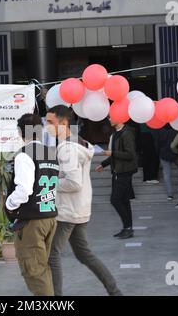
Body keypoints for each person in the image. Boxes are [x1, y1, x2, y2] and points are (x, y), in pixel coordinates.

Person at [46, 106, 122, 296]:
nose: (46, 126)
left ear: (63, 123)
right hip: (79, 208)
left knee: (52, 254)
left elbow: (73, 183)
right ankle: (114, 291)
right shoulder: (80, 143)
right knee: (84, 254)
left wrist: (49, 184)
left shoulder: (68, 149)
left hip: (68, 210)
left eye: (50, 122)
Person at [5, 113, 59, 296]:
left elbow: (24, 190)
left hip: (32, 221)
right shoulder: (50, 153)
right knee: (42, 269)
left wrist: (9, 203)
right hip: (49, 216)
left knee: (34, 271)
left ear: (20, 132)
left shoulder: (24, 155)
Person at [96, 117, 138, 240]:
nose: (109, 119)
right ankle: (127, 228)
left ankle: (127, 227)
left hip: (124, 171)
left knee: (115, 200)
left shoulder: (127, 133)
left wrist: (112, 153)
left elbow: (130, 154)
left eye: (112, 117)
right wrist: (103, 164)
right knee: (124, 200)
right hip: (117, 171)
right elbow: (116, 154)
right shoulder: (116, 134)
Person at [153, 124, 178, 201]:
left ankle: (170, 194)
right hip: (175, 153)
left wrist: (158, 152)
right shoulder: (176, 129)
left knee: (166, 174)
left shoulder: (159, 129)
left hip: (163, 153)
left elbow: (156, 142)